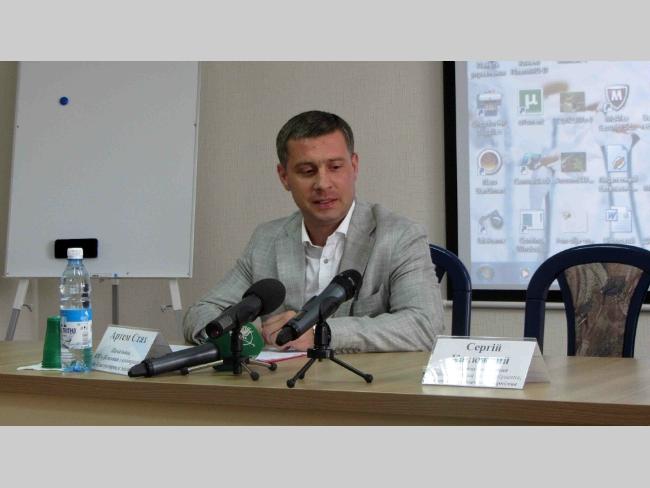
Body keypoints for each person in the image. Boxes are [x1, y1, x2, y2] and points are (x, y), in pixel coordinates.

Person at [183, 110, 444, 353]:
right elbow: (202, 312)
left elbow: (424, 326)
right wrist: (246, 337)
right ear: (284, 177)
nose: (322, 183)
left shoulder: (399, 236)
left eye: (335, 167)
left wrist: (320, 333)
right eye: (307, 171)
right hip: (281, 384)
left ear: (354, 166)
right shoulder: (266, 240)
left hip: (365, 384)